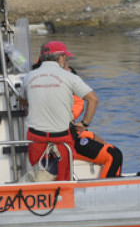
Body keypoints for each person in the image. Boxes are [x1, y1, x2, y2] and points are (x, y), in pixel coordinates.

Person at [23, 40, 98, 181]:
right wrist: (85, 124)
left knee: (40, 178)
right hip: (61, 138)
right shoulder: (69, 77)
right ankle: (62, 200)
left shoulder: (28, 77)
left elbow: (22, 99)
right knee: (63, 179)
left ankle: (42, 199)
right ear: (60, 57)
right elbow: (93, 99)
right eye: (66, 57)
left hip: (36, 138)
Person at [71, 94, 123, 178]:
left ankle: (115, 184)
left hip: (70, 137)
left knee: (113, 151)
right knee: (113, 155)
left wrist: (87, 133)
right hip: (62, 143)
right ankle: (106, 188)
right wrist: (89, 134)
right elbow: (93, 99)